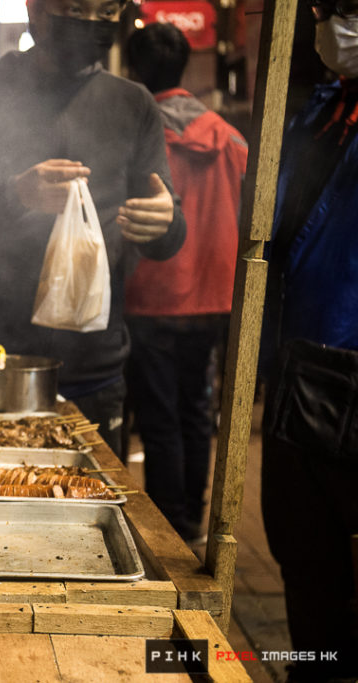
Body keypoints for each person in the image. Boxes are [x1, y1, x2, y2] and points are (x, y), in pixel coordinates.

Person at [0, 0, 186, 455]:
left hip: (92, 375)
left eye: (107, 12)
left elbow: (166, 234)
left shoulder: (133, 104)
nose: (92, 24)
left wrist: (166, 222)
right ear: (35, 9)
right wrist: (14, 195)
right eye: (77, 7)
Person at [260, 1, 358, 678]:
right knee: (304, 554)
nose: (335, 24)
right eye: (328, 9)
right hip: (300, 372)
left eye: (349, 9)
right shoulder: (316, 109)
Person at [122, 22, 249, 543]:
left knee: (158, 416)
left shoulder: (139, 138)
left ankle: (168, 525)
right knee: (197, 409)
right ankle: (192, 520)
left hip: (151, 297)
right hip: (212, 299)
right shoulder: (230, 139)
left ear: (133, 73)